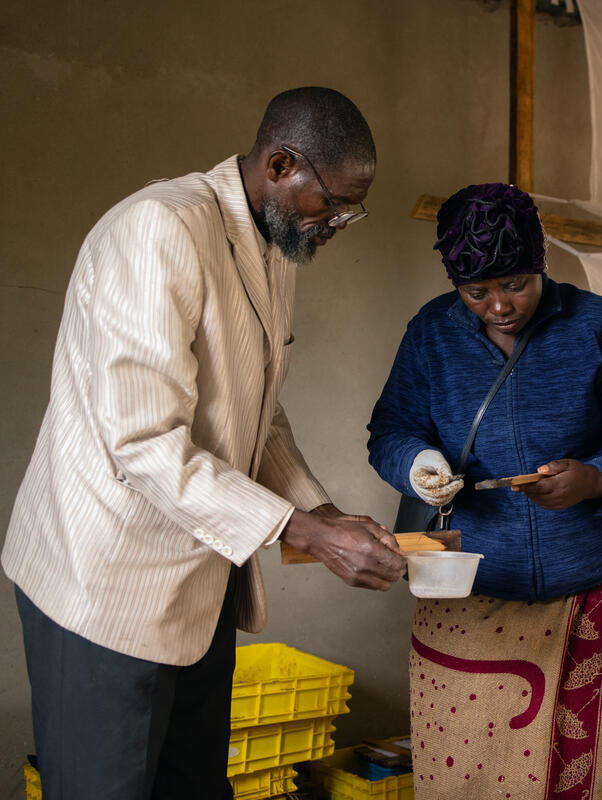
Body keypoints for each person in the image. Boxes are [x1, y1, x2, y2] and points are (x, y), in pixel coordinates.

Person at [3, 87, 407, 800]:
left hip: (200, 580)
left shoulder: (276, 242)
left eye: (353, 209)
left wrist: (326, 511)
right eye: (333, 204)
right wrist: (305, 533)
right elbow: (144, 440)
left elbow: (258, 414)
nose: (339, 223)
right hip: (104, 584)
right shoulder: (160, 230)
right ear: (281, 164)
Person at [367, 183, 602, 800]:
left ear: (541, 265)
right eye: (477, 292)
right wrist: (418, 462)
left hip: (587, 589)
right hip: (465, 594)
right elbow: (390, 430)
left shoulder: (599, 326)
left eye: (515, 284)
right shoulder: (431, 333)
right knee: (466, 773)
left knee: (587, 768)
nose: (499, 306)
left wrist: (595, 479)